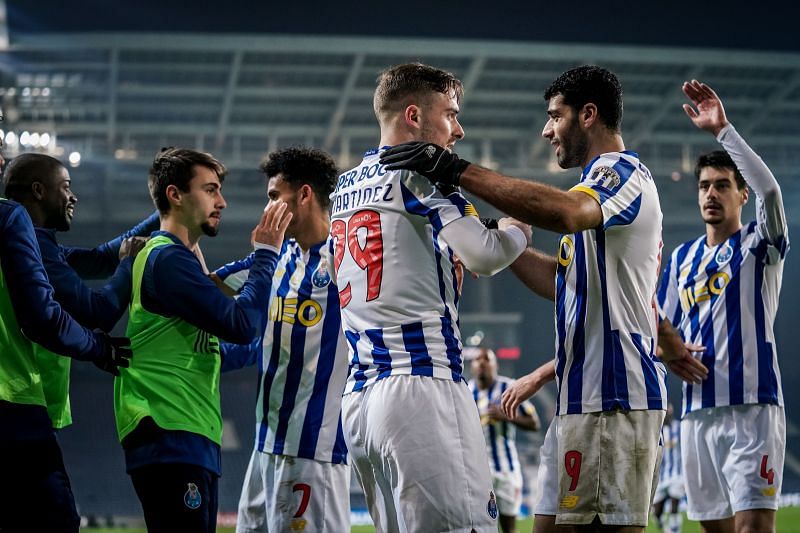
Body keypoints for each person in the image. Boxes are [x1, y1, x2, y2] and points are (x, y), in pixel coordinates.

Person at [380, 65, 701, 531]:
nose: (546, 129)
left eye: (555, 116)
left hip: (613, 398)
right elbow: (560, 281)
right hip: (579, 398)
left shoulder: (624, 174)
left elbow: (567, 214)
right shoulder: (594, 190)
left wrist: (457, 170)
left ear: (588, 115)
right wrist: (487, 237)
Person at [331, 62, 528, 532]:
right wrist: (514, 228)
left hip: (359, 401)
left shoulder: (345, 185)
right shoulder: (421, 175)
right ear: (414, 116)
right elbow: (484, 255)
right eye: (451, 115)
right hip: (420, 386)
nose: (458, 130)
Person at [113, 147, 291, 533]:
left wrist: (280, 342)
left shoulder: (179, 260)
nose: (222, 201)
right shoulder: (167, 259)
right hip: (168, 428)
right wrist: (266, 255)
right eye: (210, 190)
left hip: (186, 431)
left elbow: (214, 350)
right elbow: (241, 323)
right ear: (175, 195)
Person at [656, 80, 788, 533]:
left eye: (723, 186)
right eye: (705, 187)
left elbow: (772, 194)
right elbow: (657, 326)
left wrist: (724, 132)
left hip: (752, 408)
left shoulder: (759, 244)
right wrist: (667, 349)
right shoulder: (680, 260)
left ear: (741, 194)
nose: (711, 194)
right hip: (695, 413)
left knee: (753, 527)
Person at [213, 147, 351, 532]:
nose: (267, 205)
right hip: (265, 444)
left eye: (274, 196)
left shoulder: (346, 257)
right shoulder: (276, 258)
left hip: (314, 448)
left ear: (304, 195)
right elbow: (209, 287)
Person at [0, 196, 131, 532]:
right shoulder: (9, 216)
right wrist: (99, 347)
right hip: (10, 404)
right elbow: (42, 318)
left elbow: (100, 258)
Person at [3, 152, 159, 429]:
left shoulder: (36, 243)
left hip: (25, 397)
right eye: (65, 186)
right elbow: (98, 313)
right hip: (16, 396)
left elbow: (101, 259)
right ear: (38, 191)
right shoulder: (29, 239)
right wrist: (129, 265)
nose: (73, 197)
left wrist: (165, 212)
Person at [469, 347, 540, 533]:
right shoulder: (465, 392)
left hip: (506, 471)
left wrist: (506, 416)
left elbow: (534, 423)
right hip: (477, 472)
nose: (482, 363)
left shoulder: (508, 388)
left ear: (495, 365)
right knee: (476, 528)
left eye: (487, 359)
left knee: (509, 528)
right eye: (478, 359)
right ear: (472, 366)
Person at [652, 404, 684, 533]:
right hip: (661, 477)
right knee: (657, 511)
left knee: (674, 506)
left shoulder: (679, 428)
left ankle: (674, 530)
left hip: (677, 475)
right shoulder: (656, 431)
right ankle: (660, 521)